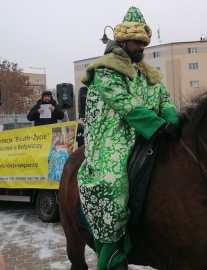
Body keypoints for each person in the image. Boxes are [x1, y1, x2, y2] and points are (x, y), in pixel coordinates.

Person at [77, 6, 180, 270]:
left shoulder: (149, 74)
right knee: (112, 181)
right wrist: (158, 126)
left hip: (150, 136)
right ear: (122, 41)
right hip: (113, 137)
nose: (142, 48)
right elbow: (124, 104)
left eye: (145, 44)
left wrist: (174, 123)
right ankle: (111, 257)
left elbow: (165, 100)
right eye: (138, 43)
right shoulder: (107, 69)